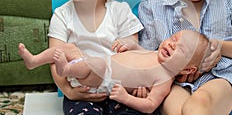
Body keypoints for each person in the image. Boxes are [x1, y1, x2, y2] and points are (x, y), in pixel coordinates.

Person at [46, 0, 146, 115]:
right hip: (83, 93)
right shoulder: (62, 15)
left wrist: (137, 84)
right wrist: (69, 91)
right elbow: (54, 58)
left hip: (121, 90)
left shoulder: (120, 12)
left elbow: (133, 53)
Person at [19, 30, 211, 114]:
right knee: (68, 48)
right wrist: (128, 44)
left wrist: (126, 99)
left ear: (187, 69)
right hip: (93, 65)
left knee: (97, 64)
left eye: (181, 49)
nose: (172, 44)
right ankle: (35, 60)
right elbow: (135, 50)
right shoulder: (152, 52)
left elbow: (151, 105)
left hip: (101, 81)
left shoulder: (164, 78)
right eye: (173, 38)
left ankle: (65, 68)